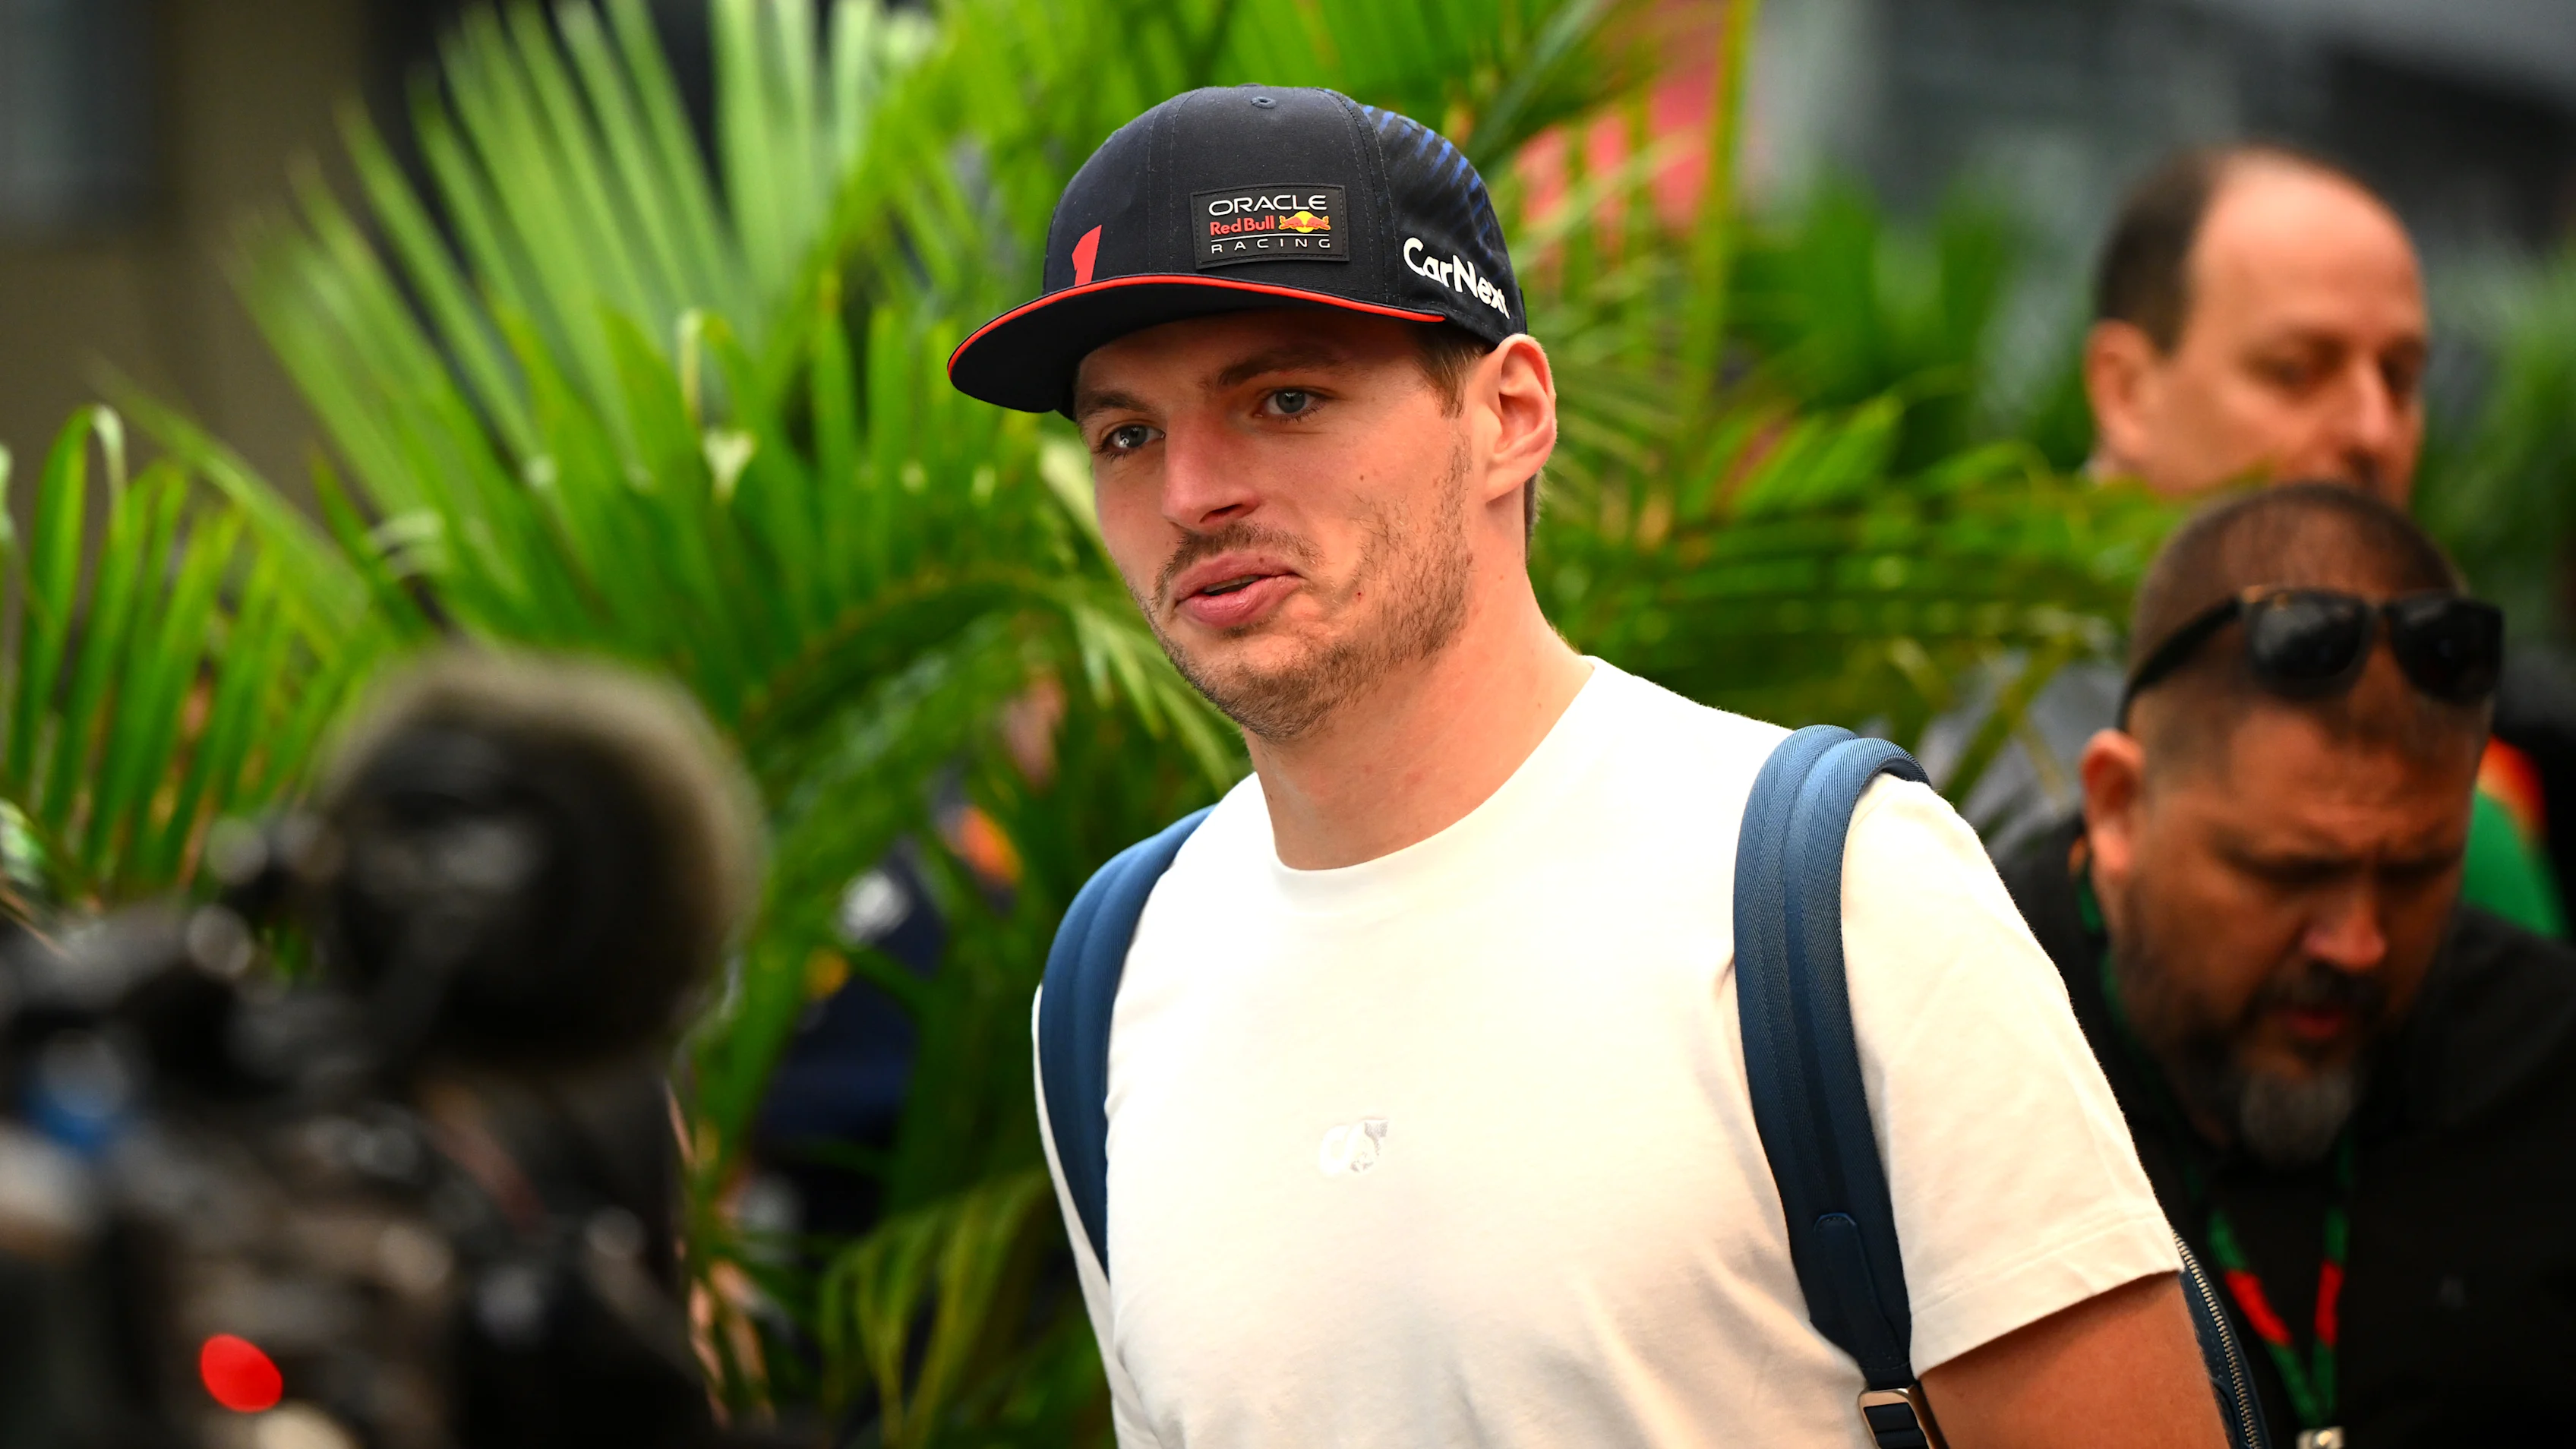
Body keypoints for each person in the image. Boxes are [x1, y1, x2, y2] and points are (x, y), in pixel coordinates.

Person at [946, 85, 2224, 1448]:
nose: (1193, 491)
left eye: (1285, 394)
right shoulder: (1110, 981)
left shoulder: (1837, 894)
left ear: (1508, 414)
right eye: (1126, 433)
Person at [1997, 483, 2576, 1447]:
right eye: (2288, 873)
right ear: (2117, 807)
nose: (2355, 943)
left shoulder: (2547, 1059)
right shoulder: (1966, 1045)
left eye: (2414, 871)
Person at [1972, 145, 2565, 940]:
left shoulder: (2463, 798)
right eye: (2296, 370)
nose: (2371, 429)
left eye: (2398, 377)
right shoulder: (1924, 687)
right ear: (2124, 390)